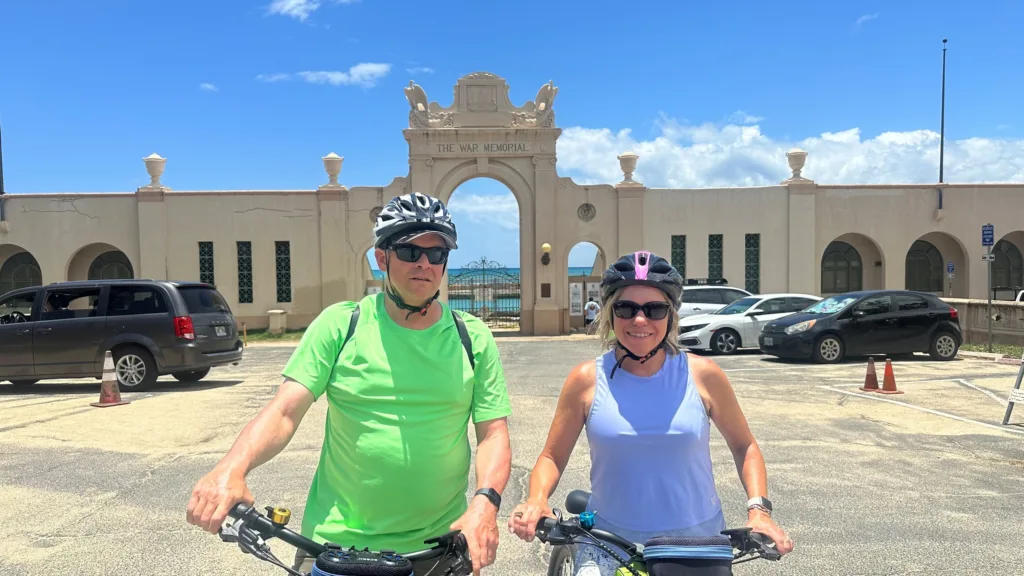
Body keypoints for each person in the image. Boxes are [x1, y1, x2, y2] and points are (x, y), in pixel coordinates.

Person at [187, 192, 513, 576]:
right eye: (410, 252)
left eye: (437, 254)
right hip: (338, 546)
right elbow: (284, 411)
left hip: (440, 547)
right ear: (381, 258)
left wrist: (485, 503)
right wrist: (231, 468)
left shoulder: (471, 337)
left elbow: (493, 432)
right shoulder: (342, 325)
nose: (424, 263)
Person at [507, 251, 793, 575]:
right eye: (625, 308)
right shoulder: (586, 380)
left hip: (696, 546)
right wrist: (536, 499)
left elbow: (746, 447)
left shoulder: (703, 375)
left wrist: (760, 511)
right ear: (609, 314)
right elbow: (551, 457)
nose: (639, 320)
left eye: (654, 309)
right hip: (609, 544)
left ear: (671, 315)